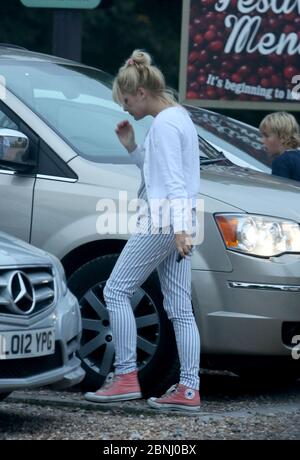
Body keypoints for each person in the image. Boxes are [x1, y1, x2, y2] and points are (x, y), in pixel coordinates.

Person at [84, 49, 201, 412]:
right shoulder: (177, 118)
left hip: (165, 220)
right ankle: (189, 388)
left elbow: (172, 183)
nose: (124, 108)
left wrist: (178, 229)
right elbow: (159, 175)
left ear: (141, 93)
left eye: (125, 100)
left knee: (116, 290)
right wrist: (133, 147)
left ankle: (125, 376)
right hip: (179, 219)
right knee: (180, 308)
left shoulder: (165, 125)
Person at [259, 112, 300, 181]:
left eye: (266, 136)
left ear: (283, 137)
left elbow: (278, 190)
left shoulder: (282, 161)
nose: (262, 140)